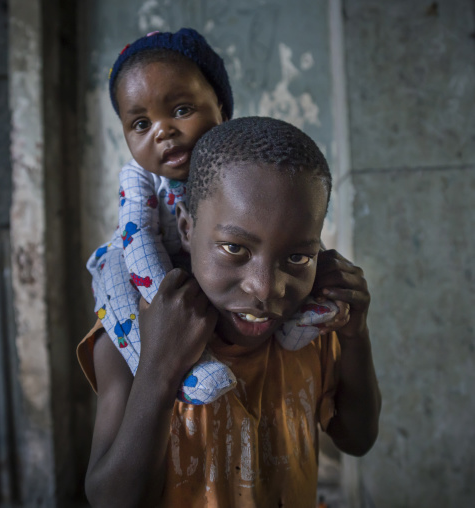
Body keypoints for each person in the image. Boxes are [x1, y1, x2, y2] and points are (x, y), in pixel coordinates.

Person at [78, 117, 381, 507]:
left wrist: (356, 335)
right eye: (234, 248)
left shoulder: (310, 331)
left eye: (297, 256)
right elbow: (110, 499)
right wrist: (159, 366)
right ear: (187, 228)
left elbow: (357, 438)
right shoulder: (129, 335)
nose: (265, 288)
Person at [87, 29, 338, 405]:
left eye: (181, 110)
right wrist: (165, 306)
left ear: (221, 107)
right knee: (116, 266)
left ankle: (299, 326)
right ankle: (176, 367)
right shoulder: (139, 178)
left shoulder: (250, 171)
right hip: (149, 270)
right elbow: (138, 238)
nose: (163, 131)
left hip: (218, 287)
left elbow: (292, 235)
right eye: (141, 123)